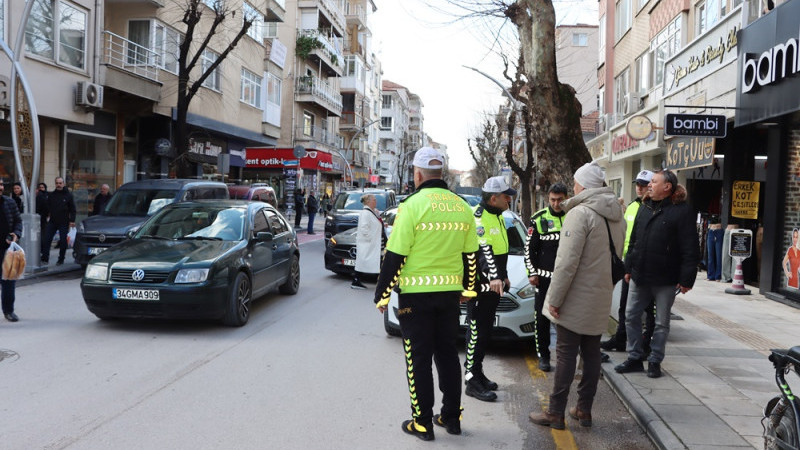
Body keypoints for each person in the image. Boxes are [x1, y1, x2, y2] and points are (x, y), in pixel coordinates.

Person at [373, 147, 479, 441]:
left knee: (418, 358)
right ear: (441, 173)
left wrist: (382, 295)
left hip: (416, 298)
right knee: (447, 354)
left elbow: (395, 255)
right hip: (449, 296)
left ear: (418, 175)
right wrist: (468, 290)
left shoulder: (412, 206)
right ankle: (451, 417)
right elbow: (471, 255)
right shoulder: (462, 207)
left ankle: (422, 423)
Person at [529, 161, 625, 430]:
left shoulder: (580, 213)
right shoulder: (616, 214)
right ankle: (584, 409)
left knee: (566, 354)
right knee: (592, 353)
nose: (573, 187)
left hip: (576, 296)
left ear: (583, 185)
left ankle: (556, 412)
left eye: (575, 182)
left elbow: (566, 262)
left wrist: (555, 300)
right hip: (601, 294)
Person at [614, 169, 699, 379]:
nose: (649, 185)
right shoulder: (644, 206)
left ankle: (654, 360)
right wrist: (629, 267)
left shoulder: (682, 211)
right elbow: (634, 241)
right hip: (639, 274)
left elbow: (691, 248)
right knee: (630, 315)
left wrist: (687, 278)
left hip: (666, 278)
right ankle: (635, 357)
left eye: (653, 182)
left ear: (667, 187)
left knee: (662, 322)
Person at [463, 176, 516, 402]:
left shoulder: (499, 216)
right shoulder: (479, 217)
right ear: (494, 198)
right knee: (476, 332)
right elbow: (484, 250)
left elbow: (500, 250)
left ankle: (477, 372)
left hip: (493, 285)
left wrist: (503, 276)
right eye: (507, 196)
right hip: (480, 285)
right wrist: (495, 276)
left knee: (484, 332)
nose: (510, 199)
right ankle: (471, 381)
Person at [601, 170, 656, 352]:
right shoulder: (632, 207)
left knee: (648, 309)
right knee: (624, 306)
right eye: (637, 184)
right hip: (628, 263)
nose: (639, 188)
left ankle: (647, 343)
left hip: (648, 266)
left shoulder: (654, 208)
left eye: (643, 185)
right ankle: (621, 338)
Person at [524, 183, 568, 372]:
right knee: (542, 320)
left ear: (566, 197)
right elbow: (529, 250)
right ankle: (543, 356)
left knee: (566, 318)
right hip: (543, 279)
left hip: (567, 279)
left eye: (560, 199)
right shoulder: (538, 219)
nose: (556, 203)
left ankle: (565, 356)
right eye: (553, 200)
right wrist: (532, 273)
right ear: (548, 198)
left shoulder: (573, 216)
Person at [0, 181, 23, 322]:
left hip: (7, 249)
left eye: (1, 184)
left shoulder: (10, 203)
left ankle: (9, 311)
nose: (1, 187)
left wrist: (16, 233)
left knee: (8, 280)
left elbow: (18, 221)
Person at [40, 177, 76, 266]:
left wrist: (72, 220)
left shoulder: (68, 195)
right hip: (52, 221)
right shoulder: (52, 195)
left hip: (63, 222)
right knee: (47, 240)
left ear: (63, 184)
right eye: (57, 183)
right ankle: (45, 258)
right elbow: (47, 206)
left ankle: (61, 259)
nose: (58, 185)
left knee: (63, 241)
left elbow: (73, 209)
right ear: (55, 184)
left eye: (60, 183)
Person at [352, 194, 384, 289]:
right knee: (364, 262)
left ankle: (357, 280)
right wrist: (371, 238)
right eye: (374, 200)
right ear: (368, 202)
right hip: (369, 243)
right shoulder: (366, 213)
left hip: (373, 242)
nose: (376, 201)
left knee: (367, 261)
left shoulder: (371, 212)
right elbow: (364, 228)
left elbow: (374, 223)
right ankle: (356, 280)